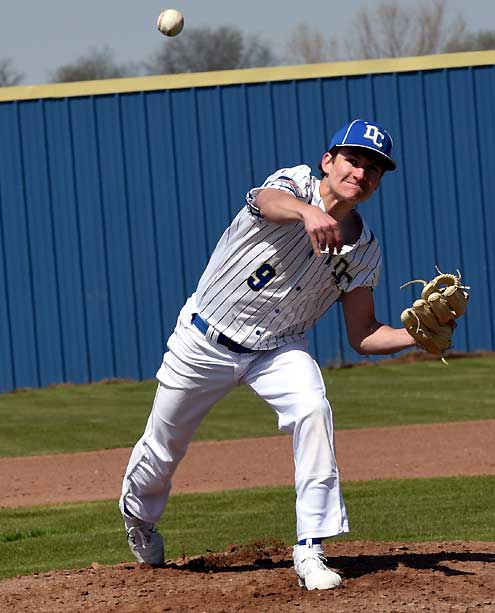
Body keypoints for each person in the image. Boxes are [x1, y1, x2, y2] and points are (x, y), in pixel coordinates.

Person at [119, 118, 417, 590]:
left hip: (278, 349)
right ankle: (139, 518)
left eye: (373, 169)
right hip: (203, 340)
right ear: (329, 161)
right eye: (353, 161)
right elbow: (265, 200)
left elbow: (363, 335)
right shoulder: (295, 183)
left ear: (379, 182)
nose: (361, 173)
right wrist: (307, 213)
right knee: (163, 446)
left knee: (313, 409)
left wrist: (416, 334)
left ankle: (311, 547)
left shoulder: (363, 251)